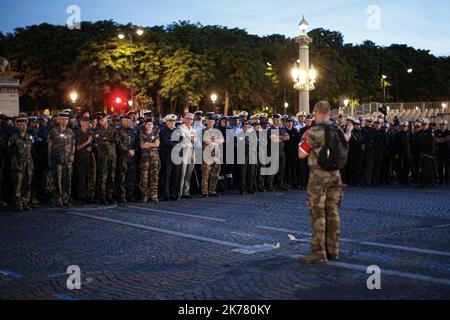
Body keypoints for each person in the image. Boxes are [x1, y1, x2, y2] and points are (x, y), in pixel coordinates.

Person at [298, 101, 352, 264]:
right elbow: (346, 142)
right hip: (336, 175)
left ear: (316, 113)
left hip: (319, 176)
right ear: (329, 113)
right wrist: (349, 130)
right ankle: (333, 250)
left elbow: (301, 154)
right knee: (333, 212)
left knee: (318, 212)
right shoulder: (338, 129)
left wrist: (302, 141)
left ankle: (318, 252)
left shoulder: (314, 131)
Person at [47, 113, 75, 207]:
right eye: (62, 119)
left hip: (68, 160)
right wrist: (49, 159)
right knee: (57, 181)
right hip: (57, 160)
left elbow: (73, 144)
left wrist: (72, 154)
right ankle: (58, 200)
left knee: (68, 180)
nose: (64, 121)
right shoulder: (53, 131)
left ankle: (65, 199)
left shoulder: (70, 131)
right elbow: (49, 146)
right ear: (59, 120)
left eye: (66, 119)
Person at [8, 114, 34, 211]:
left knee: (27, 184)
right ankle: (18, 204)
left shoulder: (29, 137)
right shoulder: (13, 137)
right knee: (18, 185)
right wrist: (15, 160)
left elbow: (31, 149)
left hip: (28, 164)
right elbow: (9, 151)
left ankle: (25, 202)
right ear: (18, 125)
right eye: (22, 124)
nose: (24, 126)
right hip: (18, 165)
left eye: (25, 124)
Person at [94, 113, 117, 205]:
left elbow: (117, 140)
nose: (101, 121)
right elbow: (97, 142)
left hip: (112, 156)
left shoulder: (113, 128)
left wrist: (105, 139)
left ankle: (110, 196)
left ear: (106, 119)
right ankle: (102, 197)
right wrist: (108, 139)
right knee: (103, 178)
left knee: (111, 177)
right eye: (100, 120)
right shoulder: (97, 130)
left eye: (103, 119)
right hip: (102, 157)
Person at [116, 115, 138, 203]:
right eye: (125, 121)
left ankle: (130, 195)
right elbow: (119, 143)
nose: (127, 123)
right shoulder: (118, 131)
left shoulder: (134, 132)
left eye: (128, 121)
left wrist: (134, 150)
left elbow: (137, 143)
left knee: (131, 178)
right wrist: (128, 150)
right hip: (123, 158)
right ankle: (121, 196)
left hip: (132, 158)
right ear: (122, 122)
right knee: (122, 178)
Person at [74, 115, 96, 204]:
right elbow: (77, 147)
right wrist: (87, 142)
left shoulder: (91, 132)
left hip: (90, 158)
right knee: (81, 178)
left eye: (88, 122)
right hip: (80, 158)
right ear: (81, 123)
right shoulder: (77, 133)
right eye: (86, 122)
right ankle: (82, 196)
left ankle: (90, 196)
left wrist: (92, 147)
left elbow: (95, 144)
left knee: (91, 178)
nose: (88, 123)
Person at [160, 114, 182, 201]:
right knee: (167, 175)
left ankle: (173, 193)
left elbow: (181, 140)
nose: (172, 123)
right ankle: (166, 194)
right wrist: (175, 143)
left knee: (175, 175)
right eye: (170, 121)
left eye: (173, 121)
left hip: (176, 155)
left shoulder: (177, 130)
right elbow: (166, 142)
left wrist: (173, 143)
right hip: (167, 155)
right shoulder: (163, 131)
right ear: (167, 122)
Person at [202, 115, 224, 198]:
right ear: (206, 122)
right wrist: (215, 141)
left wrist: (213, 141)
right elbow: (206, 141)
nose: (210, 123)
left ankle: (212, 191)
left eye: (212, 121)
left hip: (216, 155)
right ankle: (205, 192)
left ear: (214, 122)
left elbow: (222, 140)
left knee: (215, 174)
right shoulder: (204, 130)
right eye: (209, 121)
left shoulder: (217, 131)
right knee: (206, 174)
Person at [139, 118, 161, 203]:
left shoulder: (156, 133)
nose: (149, 126)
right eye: (148, 124)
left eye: (151, 124)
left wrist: (147, 143)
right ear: (145, 125)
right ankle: (145, 195)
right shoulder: (142, 133)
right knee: (144, 177)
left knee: (154, 176)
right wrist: (152, 144)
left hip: (154, 158)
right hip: (145, 159)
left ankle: (154, 196)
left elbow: (157, 144)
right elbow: (142, 146)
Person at [178, 113, 196, 199]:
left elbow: (195, 139)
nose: (189, 121)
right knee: (182, 172)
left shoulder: (192, 129)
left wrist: (190, 138)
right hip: (184, 150)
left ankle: (186, 192)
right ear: (185, 119)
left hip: (191, 150)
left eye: (191, 119)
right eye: (188, 119)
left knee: (189, 172)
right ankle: (179, 192)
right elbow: (185, 139)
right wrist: (191, 138)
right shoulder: (181, 128)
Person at [416, 118, 435, 188]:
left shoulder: (430, 132)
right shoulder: (419, 132)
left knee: (428, 169)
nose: (423, 126)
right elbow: (417, 144)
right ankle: (422, 182)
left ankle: (430, 182)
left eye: (424, 124)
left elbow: (432, 144)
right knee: (421, 169)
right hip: (420, 154)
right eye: (422, 124)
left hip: (428, 155)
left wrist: (430, 154)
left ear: (427, 125)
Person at [436, 120, 450, 185]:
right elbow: (437, 140)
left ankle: (447, 180)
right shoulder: (437, 132)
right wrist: (444, 139)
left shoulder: (448, 132)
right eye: (441, 124)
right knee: (440, 167)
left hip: (447, 153)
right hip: (439, 152)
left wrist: (441, 139)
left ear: (446, 125)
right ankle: (441, 180)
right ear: (440, 125)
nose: (443, 126)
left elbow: (448, 139)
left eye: (444, 125)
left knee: (447, 167)